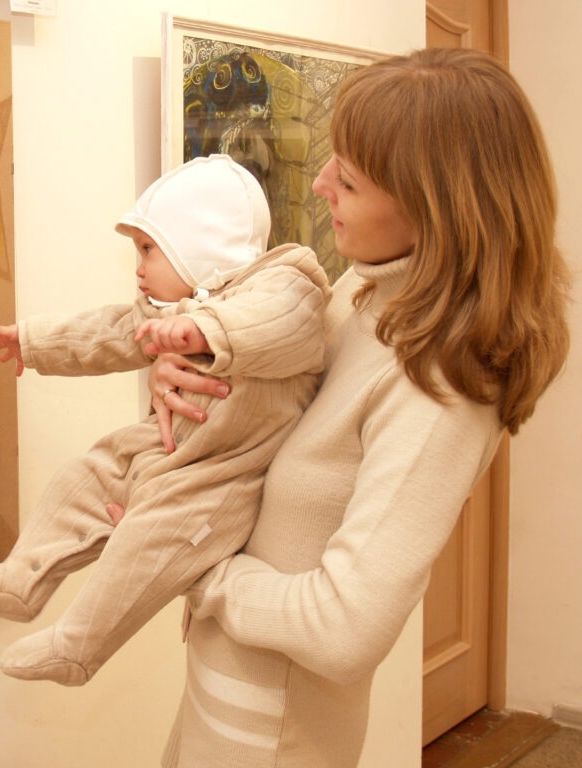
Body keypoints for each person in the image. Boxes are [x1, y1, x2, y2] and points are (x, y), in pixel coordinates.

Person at [138, 49, 571, 767]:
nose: (320, 183)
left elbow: (344, 629)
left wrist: (195, 569)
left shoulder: (441, 386)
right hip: (227, 693)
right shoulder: (365, 292)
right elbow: (278, 412)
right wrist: (193, 368)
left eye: (350, 179)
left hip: (274, 734)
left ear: (435, 208)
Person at [0, 154, 331, 686]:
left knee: (147, 538)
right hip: (159, 448)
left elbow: (279, 324)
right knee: (85, 474)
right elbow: (110, 331)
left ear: (201, 247)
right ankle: (24, 574)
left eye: (149, 249)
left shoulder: (285, 285)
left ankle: (78, 645)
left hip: (219, 477)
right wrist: (34, 342)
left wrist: (203, 332)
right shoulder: (167, 311)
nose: (139, 267)